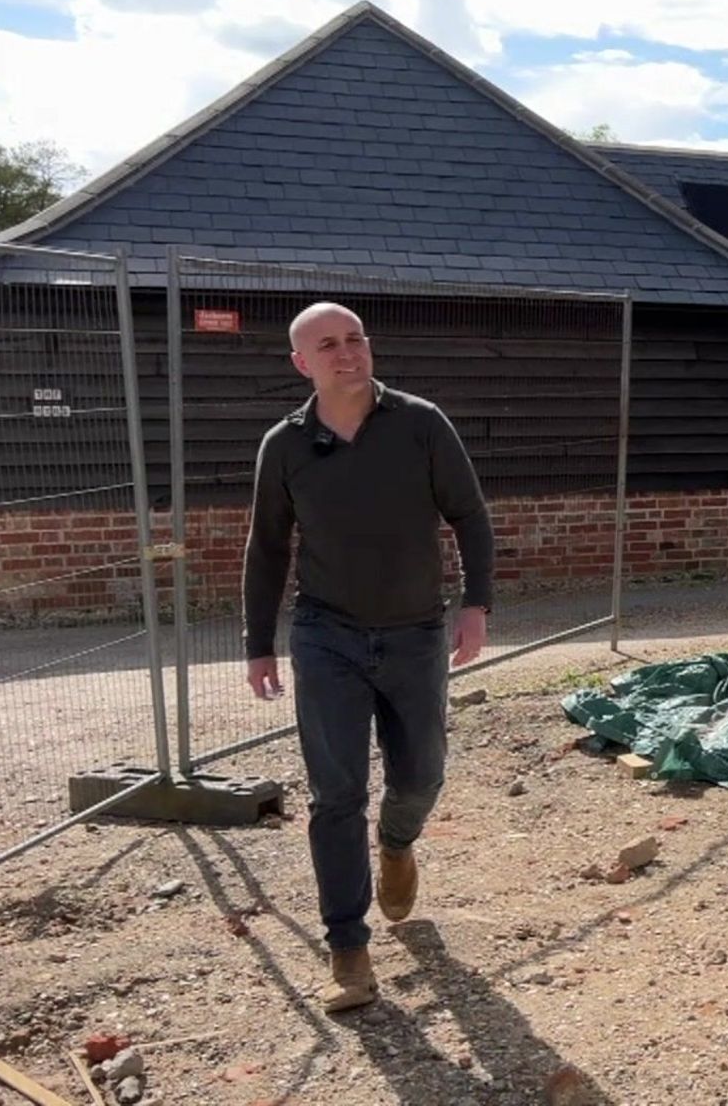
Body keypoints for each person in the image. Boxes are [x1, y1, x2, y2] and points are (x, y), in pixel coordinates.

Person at [241, 301, 493, 1012]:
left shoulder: (420, 423)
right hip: (327, 636)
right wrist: (258, 643)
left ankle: (398, 840)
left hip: (415, 633)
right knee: (335, 794)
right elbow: (266, 547)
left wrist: (476, 604)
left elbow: (469, 514)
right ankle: (348, 949)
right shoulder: (284, 445)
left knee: (421, 775)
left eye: (355, 339)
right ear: (302, 363)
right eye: (328, 345)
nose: (346, 352)